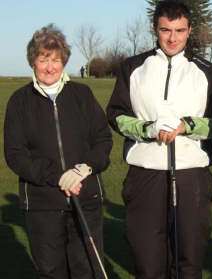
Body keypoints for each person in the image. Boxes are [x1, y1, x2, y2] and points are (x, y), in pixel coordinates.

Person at [106, 1, 212, 278]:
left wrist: (188, 126)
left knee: (189, 263)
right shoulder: (133, 67)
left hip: (192, 174)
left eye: (180, 30)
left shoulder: (207, 72)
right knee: (148, 264)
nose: (173, 38)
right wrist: (147, 128)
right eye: (166, 30)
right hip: (145, 174)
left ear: (189, 30)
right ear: (155, 29)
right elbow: (116, 115)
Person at [4, 24, 112, 279]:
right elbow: (15, 154)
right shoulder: (20, 101)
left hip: (86, 199)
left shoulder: (82, 94)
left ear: (64, 61)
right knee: (51, 272)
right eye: (43, 59)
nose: (50, 67)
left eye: (55, 60)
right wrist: (58, 177)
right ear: (33, 61)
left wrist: (83, 168)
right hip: (43, 203)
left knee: (88, 269)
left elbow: (103, 140)